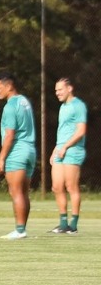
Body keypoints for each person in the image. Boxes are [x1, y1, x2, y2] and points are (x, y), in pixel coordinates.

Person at [0, 72, 37, 240]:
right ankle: (21, 228)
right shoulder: (24, 101)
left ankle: (19, 230)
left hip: (17, 151)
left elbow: (10, 135)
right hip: (30, 150)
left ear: (9, 86)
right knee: (23, 192)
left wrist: (1, 158)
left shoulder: (10, 106)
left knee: (16, 192)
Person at [51, 76, 85, 234]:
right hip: (60, 149)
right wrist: (55, 149)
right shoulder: (63, 107)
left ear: (69, 89)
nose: (57, 93)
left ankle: (74, 224)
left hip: (73, 150)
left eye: (60, 89)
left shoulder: (78, 106)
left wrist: (65, 146)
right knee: (57, 186)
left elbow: (81, 131)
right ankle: (63, 223)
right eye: (56, 90)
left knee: (71, 186)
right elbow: (62, 131)